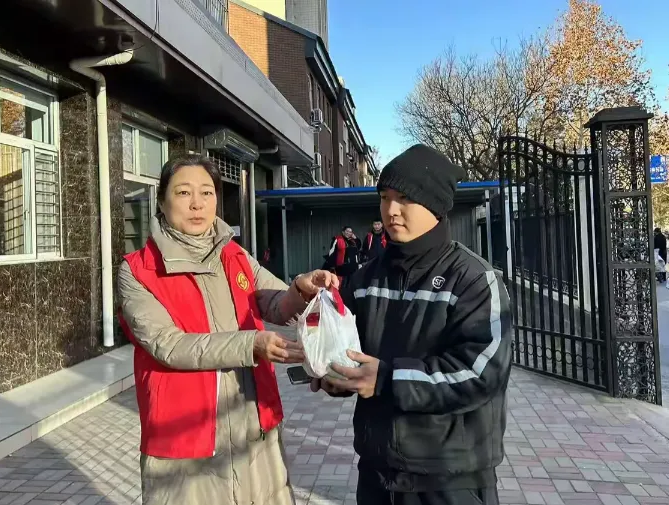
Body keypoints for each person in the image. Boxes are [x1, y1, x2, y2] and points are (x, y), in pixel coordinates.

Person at [117, 155, 339, 505]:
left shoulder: (234, 254)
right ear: (161, 201)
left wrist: (301, 288)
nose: (197, 204)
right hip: (186, 436)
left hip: (252, 420)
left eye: (207, 192)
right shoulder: (138, 270)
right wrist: (252, 344)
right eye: (183, 192)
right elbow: (168, 345)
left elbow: (273, 302)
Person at [311, 144, 513, 505]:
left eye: (405, 198)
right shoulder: (365, 278)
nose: (391, 210)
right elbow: (350, 353)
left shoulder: (473, 279)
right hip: (377, 473)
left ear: (436, 206)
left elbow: (481, 374)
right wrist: (333, 372)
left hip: (451, 478)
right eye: (384, 197)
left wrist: (387, 379)